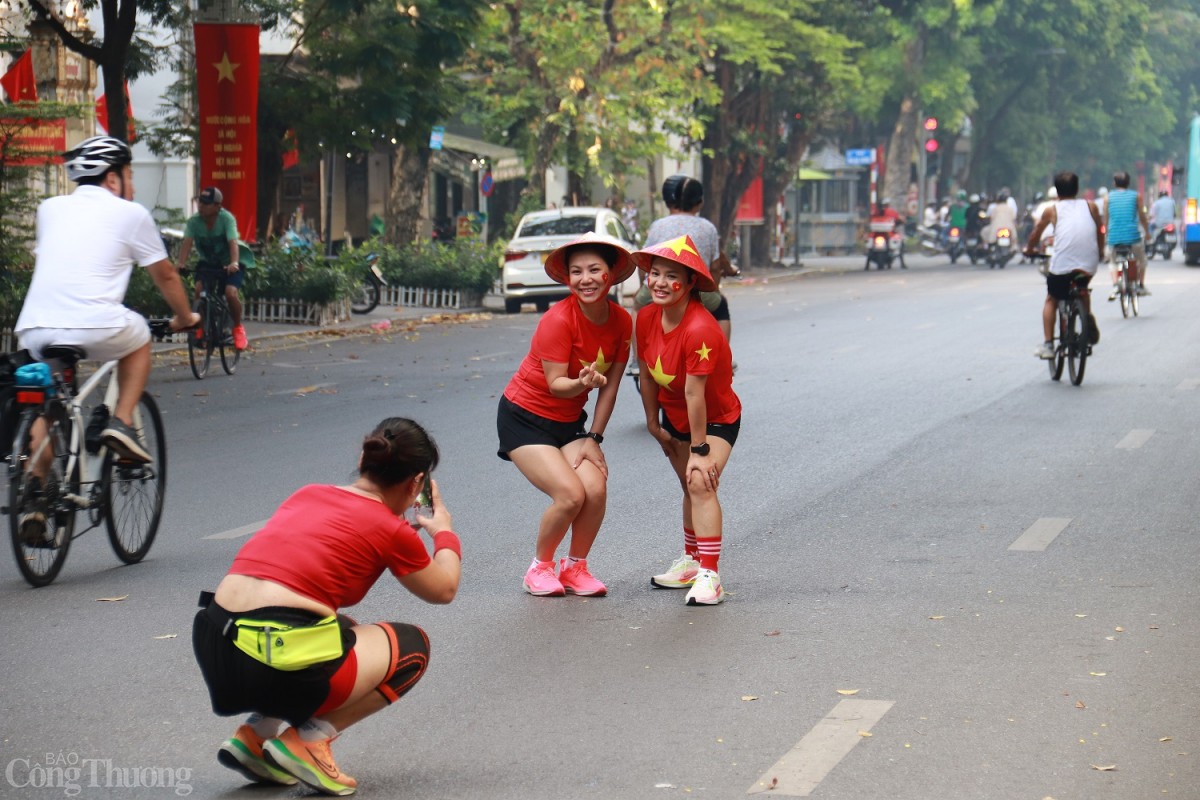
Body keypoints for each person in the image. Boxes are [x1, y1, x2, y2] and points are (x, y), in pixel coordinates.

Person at [193, 417, 461, 795]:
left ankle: (256, 736)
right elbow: (444, 589)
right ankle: (309, 742)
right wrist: (443, 531)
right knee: (411, 648)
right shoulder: (392, 530)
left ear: (364, 456)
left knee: (341, 628)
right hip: (272, 662)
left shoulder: (309, 493)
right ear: (416, 483)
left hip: (216, 646)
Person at [13, 134, 199, 518]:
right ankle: (121, 420)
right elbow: (165, 276)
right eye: (129, 175)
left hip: (35, 329)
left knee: (48, 408)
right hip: (94, 325)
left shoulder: (49, 208)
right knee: (140, 337)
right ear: (112, 179)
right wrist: (185, 317)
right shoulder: (131, 214)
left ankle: (36, 495)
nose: (131, 185)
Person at [497, 233, 635, 597]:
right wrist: (580, 383)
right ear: (568, 278)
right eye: (576, 272)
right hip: (524, 417)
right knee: (571, 495)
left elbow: (611, 387)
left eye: (593, 270)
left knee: (595, 487)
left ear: (609, 275)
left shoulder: (622, 321)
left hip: (568, 424)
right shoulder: (557, 320)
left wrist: (594, 438)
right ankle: (539, 568)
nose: (585, 279)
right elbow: (557, 384)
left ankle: (575, 568)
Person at [633, 234, 741, 606]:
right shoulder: (646, 317)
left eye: (671, 275)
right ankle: (692, 563)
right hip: (675, 417)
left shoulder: (700, 329)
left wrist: (699, 449)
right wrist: (651, 422)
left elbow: (696, 394)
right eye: (655, 273)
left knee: (699, 482)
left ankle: (710, 575)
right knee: (688, 486)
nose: (660, 282)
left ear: (692, 282)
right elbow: (646, 373)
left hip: (716, 420)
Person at [635, 176, 733, 339]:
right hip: (696, 290)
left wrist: (643, 287)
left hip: (659, 287)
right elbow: (715, 268)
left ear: (668, 201)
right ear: (699, 202)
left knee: (638, 306)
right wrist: (713, 289)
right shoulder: (708, 228)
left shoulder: (658, 225)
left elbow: (643, 264)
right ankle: (723, 356)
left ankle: (635, 360)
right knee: (721, 305)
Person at [1025, 171, 1103, 360]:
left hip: (1062, 267)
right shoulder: (1090, 206)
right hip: (1088, 264)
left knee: (1052, 298)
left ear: (1057, 191)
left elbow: (1036, 233)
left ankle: (1049, 344)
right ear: (1077, 189)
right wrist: (1099, 252)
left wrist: (1029, 249)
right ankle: (1086, 316)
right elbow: (1100, 231)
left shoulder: (1052, 210)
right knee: (1082, 286)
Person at [176, 186, 249, 350]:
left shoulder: (226, 219)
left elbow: (233, 243)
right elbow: (187, 242)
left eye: (206, 203)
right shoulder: (194, 221)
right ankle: (201, 328)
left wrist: (234, 263)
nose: (201, 206)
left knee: (230, 293)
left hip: (230, 262)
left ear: (217, 206)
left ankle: (237, 328)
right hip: (208, 263)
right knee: (199, 290)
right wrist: (181, 263)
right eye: (200, 202)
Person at [1103, 171, 1151, 298]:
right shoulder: (1136, 196)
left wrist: (1107, 234)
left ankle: (1115, 285)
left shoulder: (1108, 198)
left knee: (1112, 262)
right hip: (1132, 237)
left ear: (1114, 183)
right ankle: (1140, 285)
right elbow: (1142, 216)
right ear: (1129, 183)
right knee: (1141, 260)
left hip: (1114, 238)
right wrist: (1147, 232)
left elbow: (1106, 219)